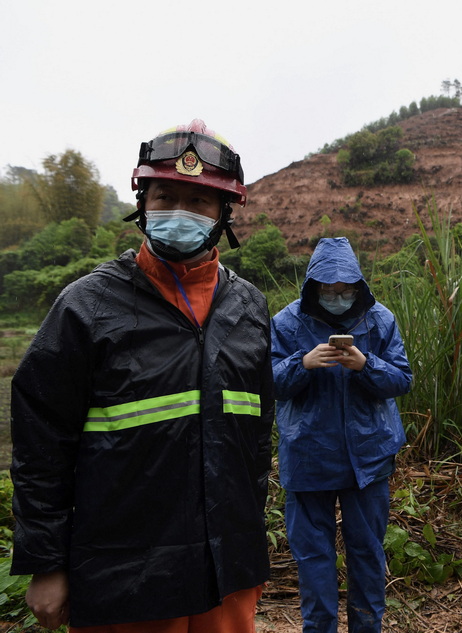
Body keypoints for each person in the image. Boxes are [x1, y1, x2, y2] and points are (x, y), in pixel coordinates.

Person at [10, 119, 275, 631]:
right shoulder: (87, 306)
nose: (180, 211)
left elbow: (256, 441)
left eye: (198, 202)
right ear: (142, 204)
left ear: (225, 213)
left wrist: (246, 536)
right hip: (124, 571)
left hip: (229, 567)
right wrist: (46, 562)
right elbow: (41, 446)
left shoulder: (249, 307)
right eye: (165, 196)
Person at [271, 237, 412, 633]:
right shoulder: (287, 322)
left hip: (366, 458)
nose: (337, 297)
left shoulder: (379, 319)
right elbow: (266, 383)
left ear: (358, 287)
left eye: (345, 291)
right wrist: (303, 363)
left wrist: (366, 366)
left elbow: (402, 380)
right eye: (328, 291)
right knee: (313, 557)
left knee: (366, 552)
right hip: (308, 457)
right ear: (312, 287)